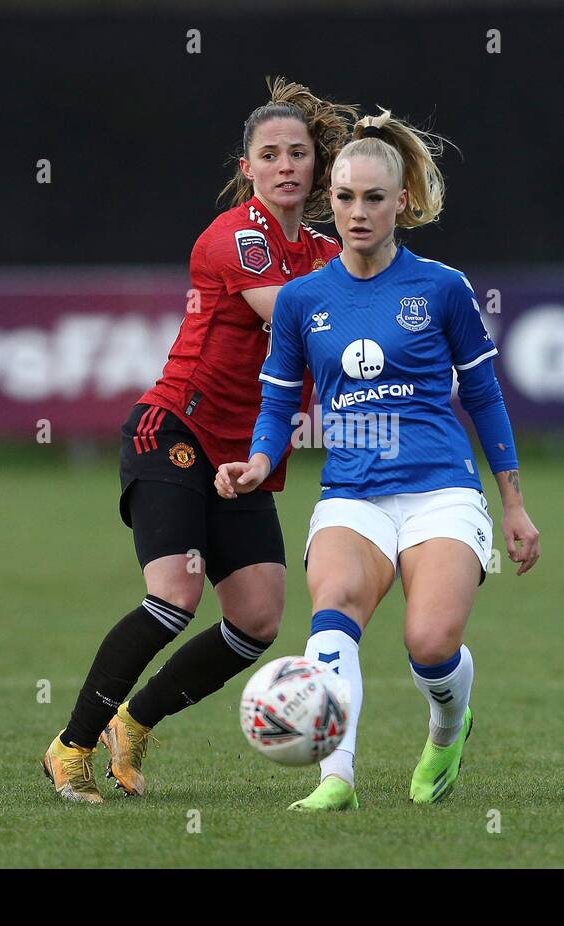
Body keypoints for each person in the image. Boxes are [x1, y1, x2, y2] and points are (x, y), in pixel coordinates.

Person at [215, 108, 541, 810]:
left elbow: (484, 395)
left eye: (372, 198)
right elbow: (276, 402)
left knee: (428, 643)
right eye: (343, 197)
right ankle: (338, 779)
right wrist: (257, 460)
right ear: (327, 200)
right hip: (352, 493)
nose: (356, 212)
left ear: (402, 203)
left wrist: (512, 503)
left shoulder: (442, 288)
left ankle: (449, 728)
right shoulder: (303, 300)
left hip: (439, 491)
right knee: (330, 610)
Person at [42, 78, 356, 803]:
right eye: (269, 154)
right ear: (246, 167)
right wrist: (371, 293)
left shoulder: (320, 249)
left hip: (246, 456)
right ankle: (70, 745)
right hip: (175, 432)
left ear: (315, 169)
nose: (285, 166)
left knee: (257, 620)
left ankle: (136, 723)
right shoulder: (235, 237)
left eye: (298, 154)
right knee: (174, 597)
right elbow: (292, 315)